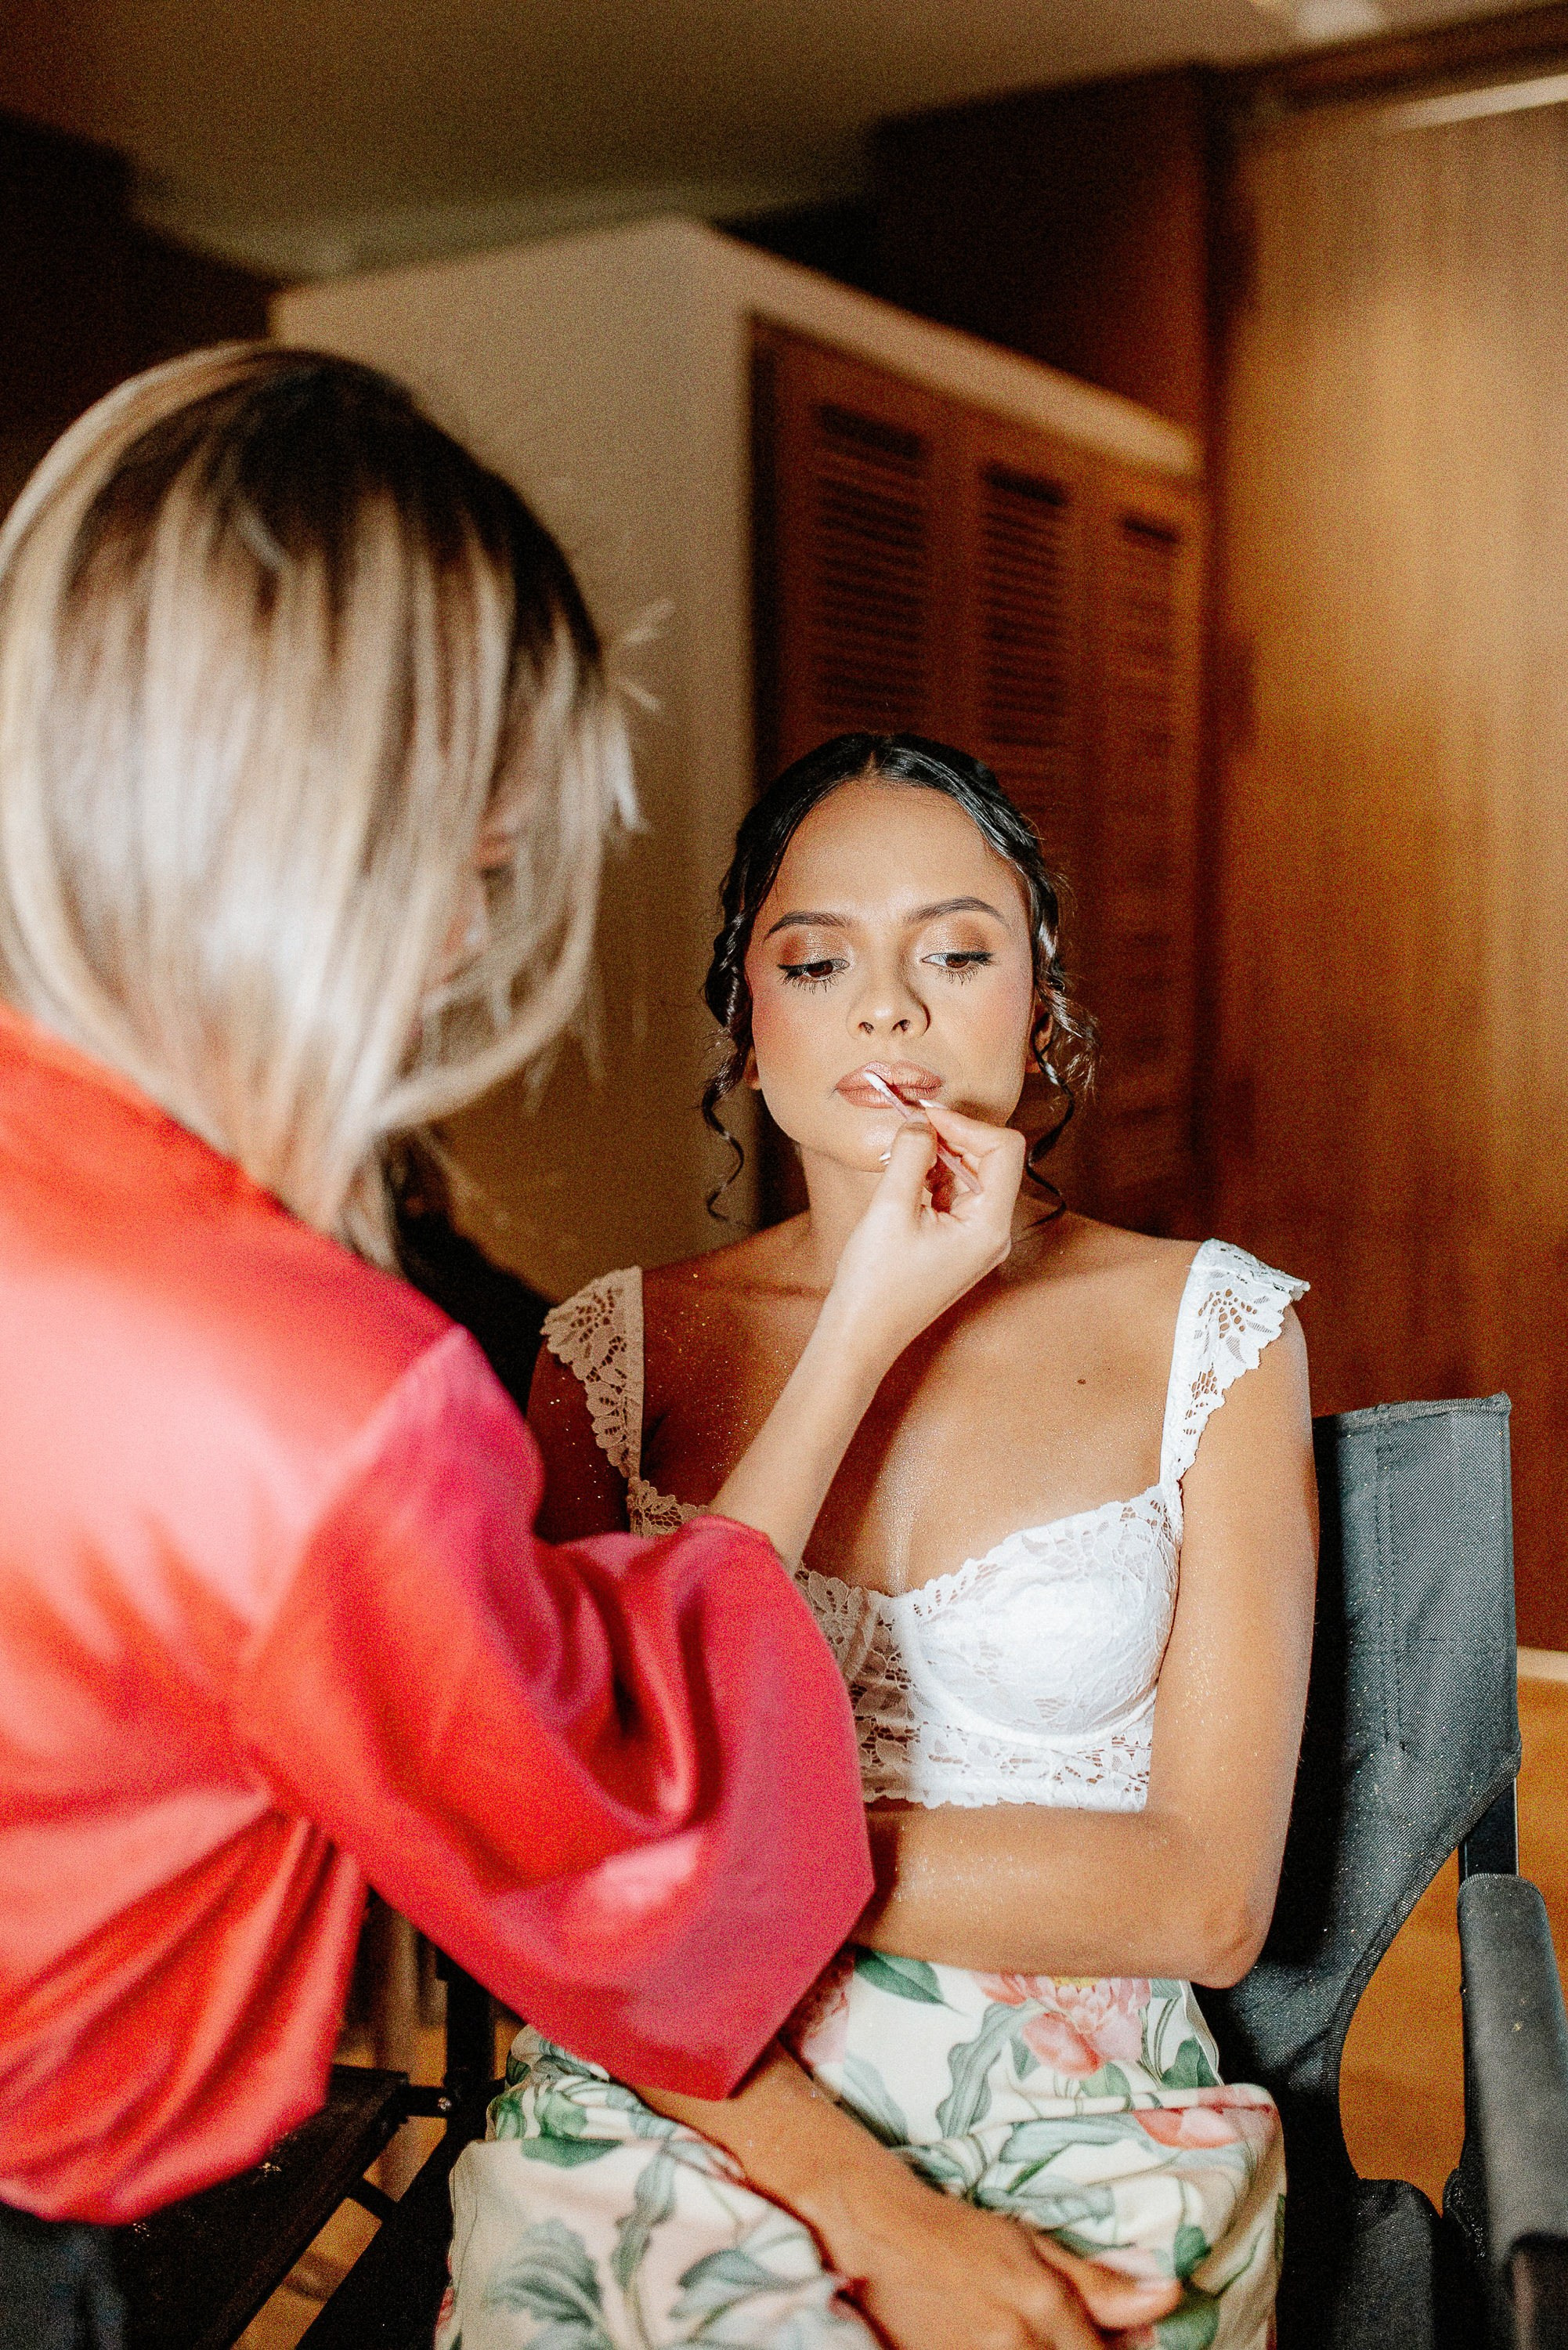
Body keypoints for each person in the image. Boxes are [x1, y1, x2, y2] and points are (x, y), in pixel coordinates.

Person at [0, 362, 1028, 2346]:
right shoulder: (321, 1403)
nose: (469, 948)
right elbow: (604, 1828)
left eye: (958, 950)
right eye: (477, 874)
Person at [444, 736, 1318, 2350]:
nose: (889, 1007)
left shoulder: (1210, 1330)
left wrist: (707, 1881)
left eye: (956, 952)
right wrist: (855, 1330)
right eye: (817, 957)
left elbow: (1203, 1899)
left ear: (1039, 1010)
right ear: (746, 1020)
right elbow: (572, 1853)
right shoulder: (610, 1351)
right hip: (694, 2087)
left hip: (1081, 2102)